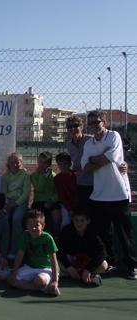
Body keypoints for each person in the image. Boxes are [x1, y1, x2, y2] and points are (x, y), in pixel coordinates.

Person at [81, 110, 137, 279]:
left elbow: (110, 158)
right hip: (99, 196)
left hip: (119, 194)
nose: (93, 125)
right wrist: (100, 158)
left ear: (104, 122)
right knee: (104, 234)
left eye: (96, 122)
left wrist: (94, 160)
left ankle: (131, 266)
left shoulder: (114, 136)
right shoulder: (88, 144)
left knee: (123, 233)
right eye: (90, 123)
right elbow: (86, 167)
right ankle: (110, 264)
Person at [7, 210, 60, 296]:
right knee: (10, 279)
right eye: (30, 225)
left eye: (37, 225)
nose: (33, 228)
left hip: (46, 269)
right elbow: (20, 255)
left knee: (39, 281)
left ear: (43, 226)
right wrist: (14, 273)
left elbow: (53, 260)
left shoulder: (48, 238)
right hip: (30, 267)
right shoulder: (25, 235)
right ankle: (44, 288)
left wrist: (55, 280)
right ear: (26, 226)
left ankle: (41, 285)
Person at [58, 210, 107, 286]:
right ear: (72, 220)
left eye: (82, 220)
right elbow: (58, 249)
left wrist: (88, 269)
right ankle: (86, 276)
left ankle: (83, 275)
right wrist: (69, 267)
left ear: (88, 221)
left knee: (104, 265)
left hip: (87, 262)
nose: (79, 223)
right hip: (70, 261)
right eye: (76, 220)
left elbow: (102, 252)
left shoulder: (93, 232)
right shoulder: (66, 230)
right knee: (53, 262)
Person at [1, 152, 30, 258]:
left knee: (16, 219)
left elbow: (26, 193)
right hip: (9, 202)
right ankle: (5, 248)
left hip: (20, 202)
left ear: (21, 163)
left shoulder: (25, 175)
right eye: (12, 162)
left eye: (17, 162)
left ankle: (16, 249)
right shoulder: (5, 176)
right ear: (8, 163)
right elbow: (3, 192)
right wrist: (6, 204)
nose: (15, 164)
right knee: (5, 219)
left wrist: (15, 203)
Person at [30, 151, 61, 237]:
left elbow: (57, 192)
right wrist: (43, 176)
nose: (41, 165)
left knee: (56, 217)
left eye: (45, 162)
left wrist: (51, 201)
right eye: (40, 162)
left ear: (49, 164)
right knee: (37, 219)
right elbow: (39, 188)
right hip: (38, 201)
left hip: (51, 201)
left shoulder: (54, 176)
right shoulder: (33, 176)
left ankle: (56, 238)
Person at [54, 152, 78, 226]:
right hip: (65, 205)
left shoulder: (76, 175)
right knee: (66, 222)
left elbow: (78, 193)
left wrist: (74, 207)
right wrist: (69, 209)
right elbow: (62, 196)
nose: (62, 166)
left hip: (77, 204)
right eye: (60, 164)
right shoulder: (57, 178)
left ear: (70, 164)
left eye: (65, 164)